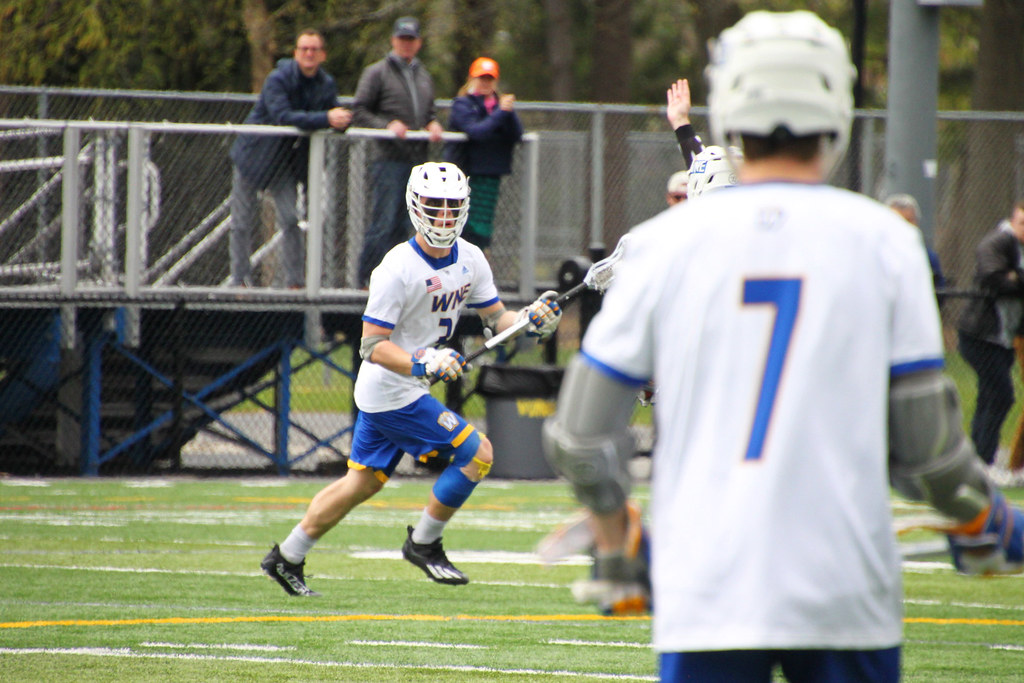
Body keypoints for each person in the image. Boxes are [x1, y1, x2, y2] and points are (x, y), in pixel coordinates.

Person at [543, 10, 1024, 683]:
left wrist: (616, 531)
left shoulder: (662, 245)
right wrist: (988, 519)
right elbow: (928, 456)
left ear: (733, 105)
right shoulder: (884, 240)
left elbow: (578, 437)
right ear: (837, 105)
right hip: (844, 589)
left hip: (708, 589)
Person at [261, 161, 562, 596]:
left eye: (452, 207)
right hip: (391, 390)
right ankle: (424, 543)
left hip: (400, 387)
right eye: (435, 206)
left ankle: (286, 556)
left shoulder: (472, 258)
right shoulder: (396, 268)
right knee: (478, 454)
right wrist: (425, 362)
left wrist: (531, 320)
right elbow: (371, 346)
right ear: (416, 207)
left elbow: (498, 320)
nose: (444, 217)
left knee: (359, 484)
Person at [228, 29, 351, 288]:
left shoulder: (325, 84)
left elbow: (331, 114)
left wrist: (341, 122)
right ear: (296, 53)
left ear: (322, 55)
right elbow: (284, 116)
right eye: (303, 49)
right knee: (241, 221)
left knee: (289, 219)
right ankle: (239, 281)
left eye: (314, 49)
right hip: (254, 157)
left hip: (284, 163)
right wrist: (326, 119)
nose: (309, 54)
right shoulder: (278, 79)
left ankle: (295, 283)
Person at [352, 16, 444, 287]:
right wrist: (387, 125)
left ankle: (397, 282)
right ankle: (366, 281)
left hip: (417, 163)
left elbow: (429, 113)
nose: (406, 44)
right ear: (393, 40)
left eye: (411, 40)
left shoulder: (424, 75)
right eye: (402, 39)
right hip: (388, 159)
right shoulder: (376, 72)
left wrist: (433, 123)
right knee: (383, 222)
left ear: (418, 43)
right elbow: (359, 110)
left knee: (406, 224)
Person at [956, 199, 1024, 466]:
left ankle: (978, 461)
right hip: (980, 335)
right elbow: (993, 277)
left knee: (990, 394)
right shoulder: (998, 242)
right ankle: (983, 459)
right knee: (1001, 395)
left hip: (1005, 337)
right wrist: (1015, 278)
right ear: (1012, 221)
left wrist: (1015, 277)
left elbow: (1011, 281)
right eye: (1022, 223)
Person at [443, 57, 524, 252]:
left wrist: (508, 112)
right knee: (460, 223)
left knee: (482, 227)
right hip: (465, 173)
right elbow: (477, 132)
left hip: (489, 174)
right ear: (472, 79)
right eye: (481, 78)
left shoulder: (499, 106)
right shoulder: (463, 104)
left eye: (489, 79)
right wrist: (500, 113)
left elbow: (517, 134)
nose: (485, 83)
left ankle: (477, 266)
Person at [884, 193, 946, 291]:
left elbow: (939, 291)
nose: (904, 227)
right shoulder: (875, 257)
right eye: (898, 221)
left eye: (909, 221)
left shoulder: (927, 257)